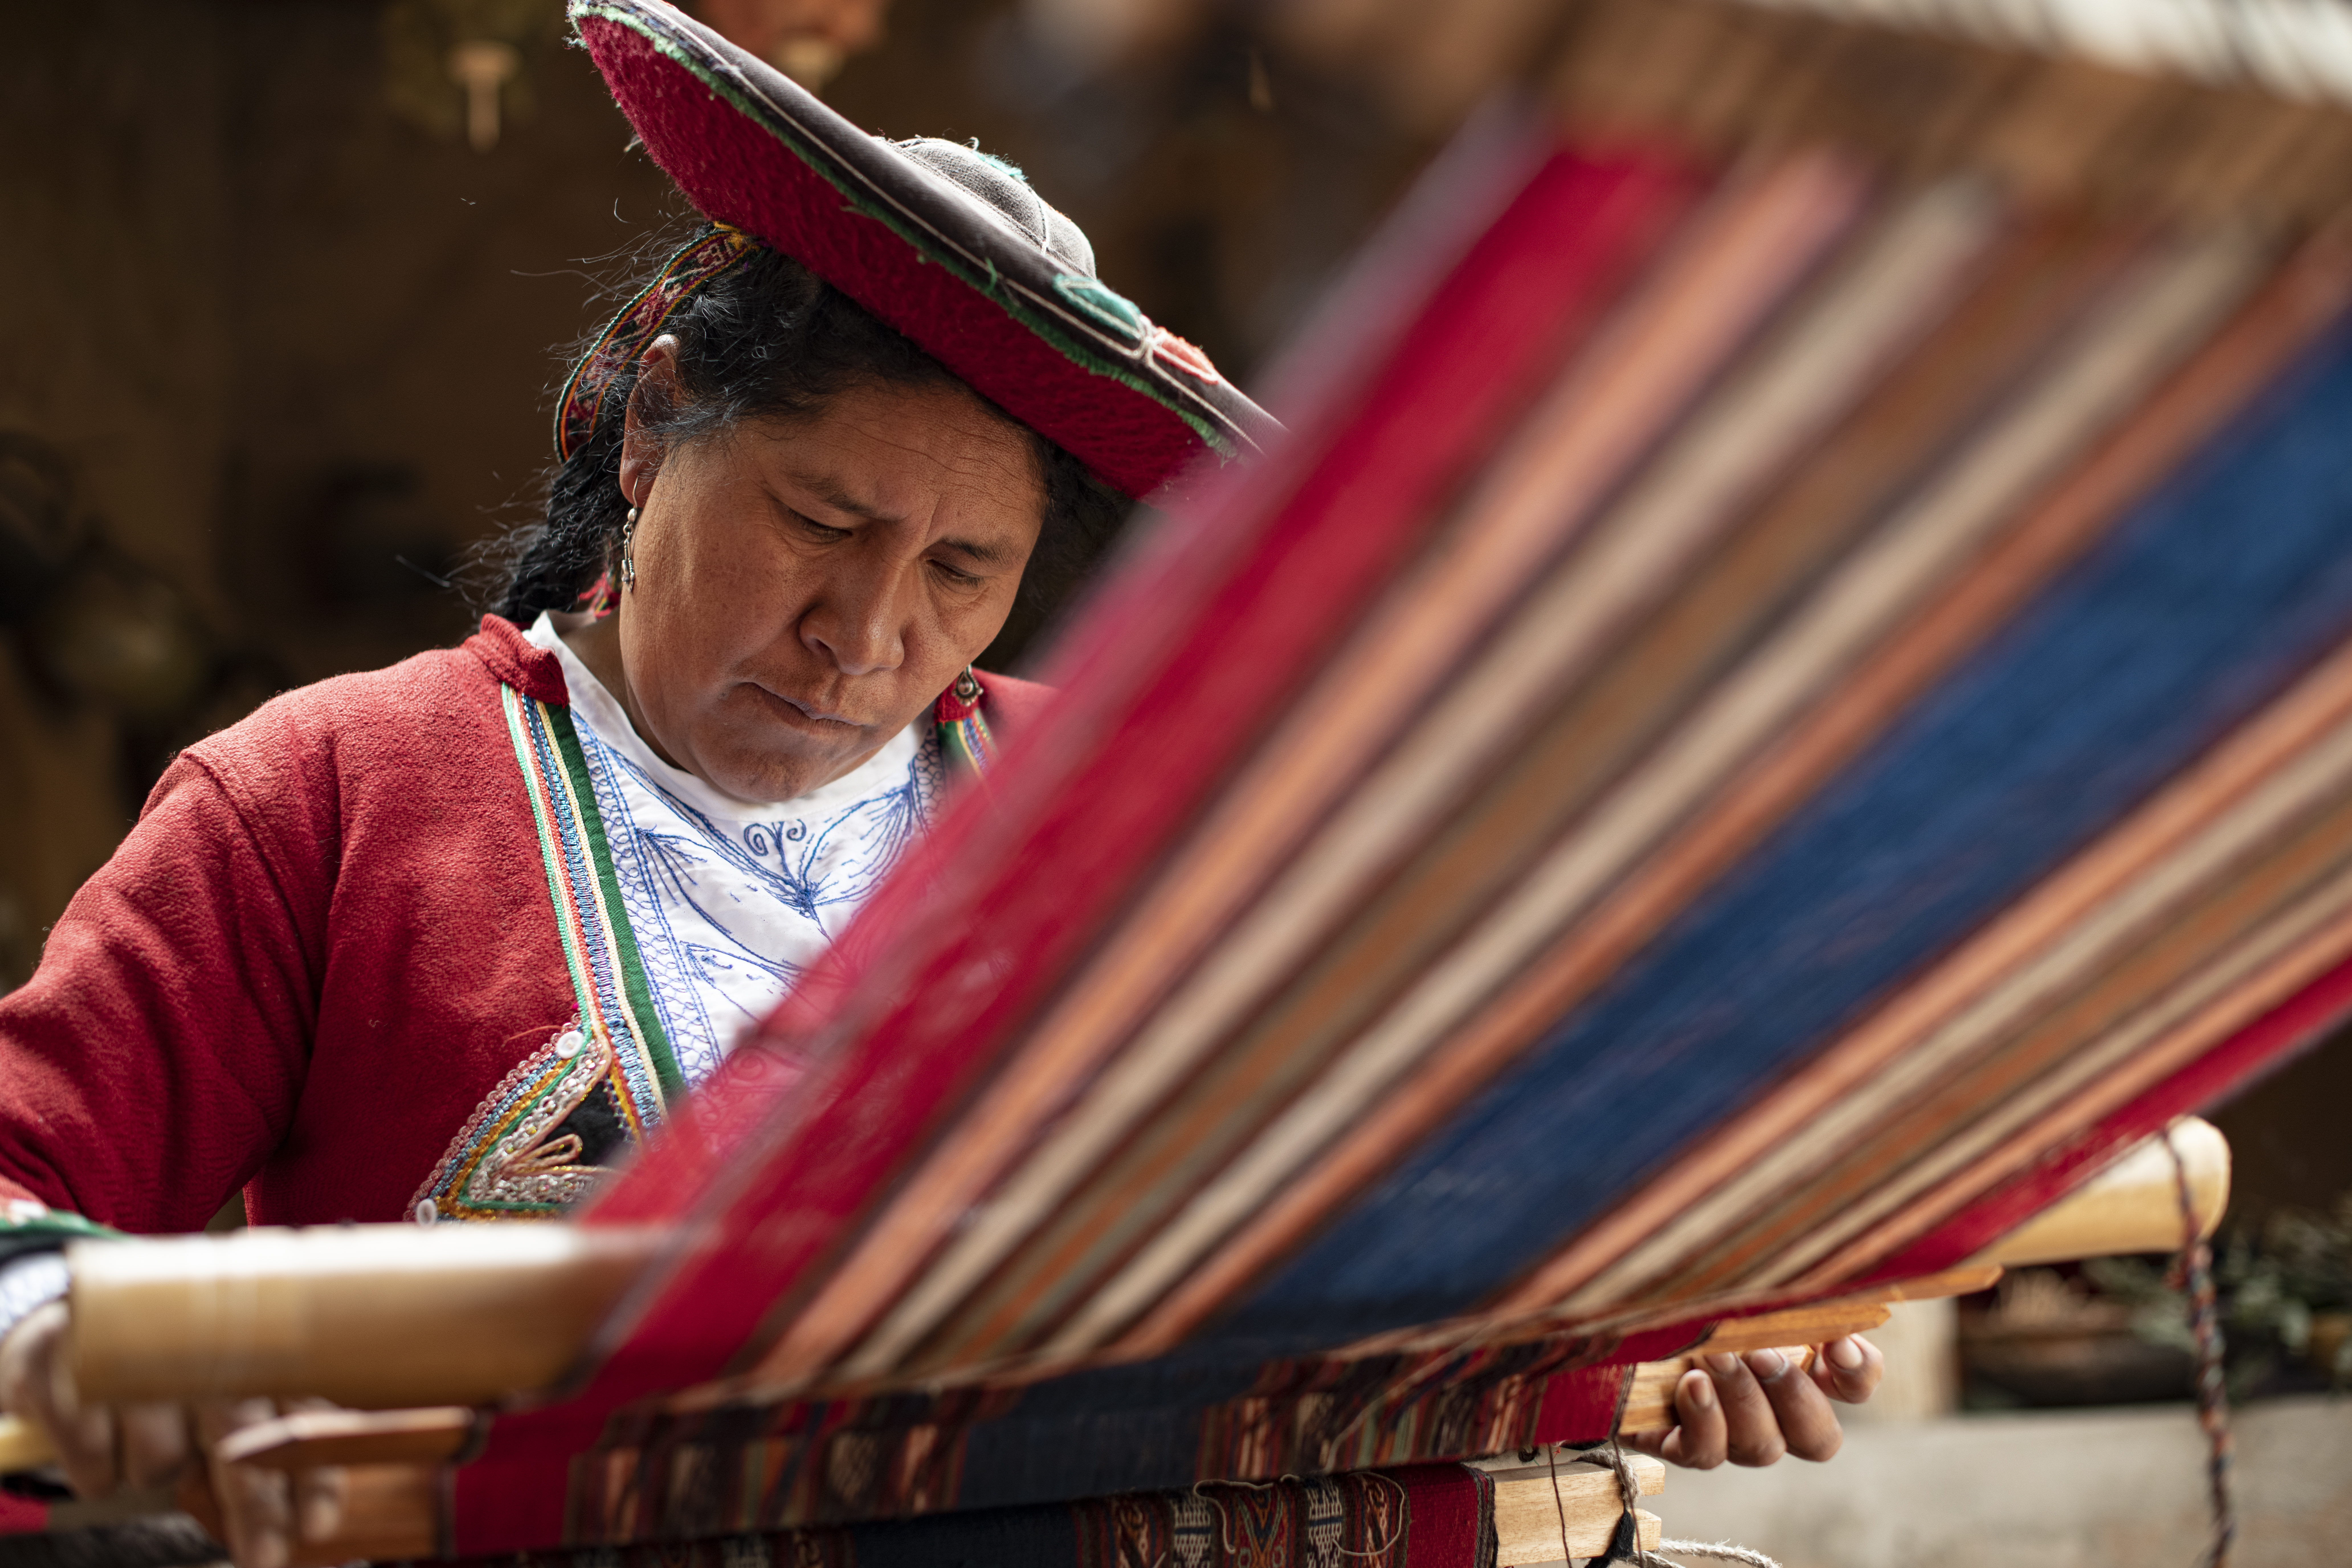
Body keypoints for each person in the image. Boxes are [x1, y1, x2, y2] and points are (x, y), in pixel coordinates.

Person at [0, 3, 1878, 1562]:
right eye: (820, 522)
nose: (868, 636)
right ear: (655, 425)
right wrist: (156, 1371)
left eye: (962, 575)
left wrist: (1650, 1338)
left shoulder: (1119, 814)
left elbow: (1382, 1193)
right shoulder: (325, 802)